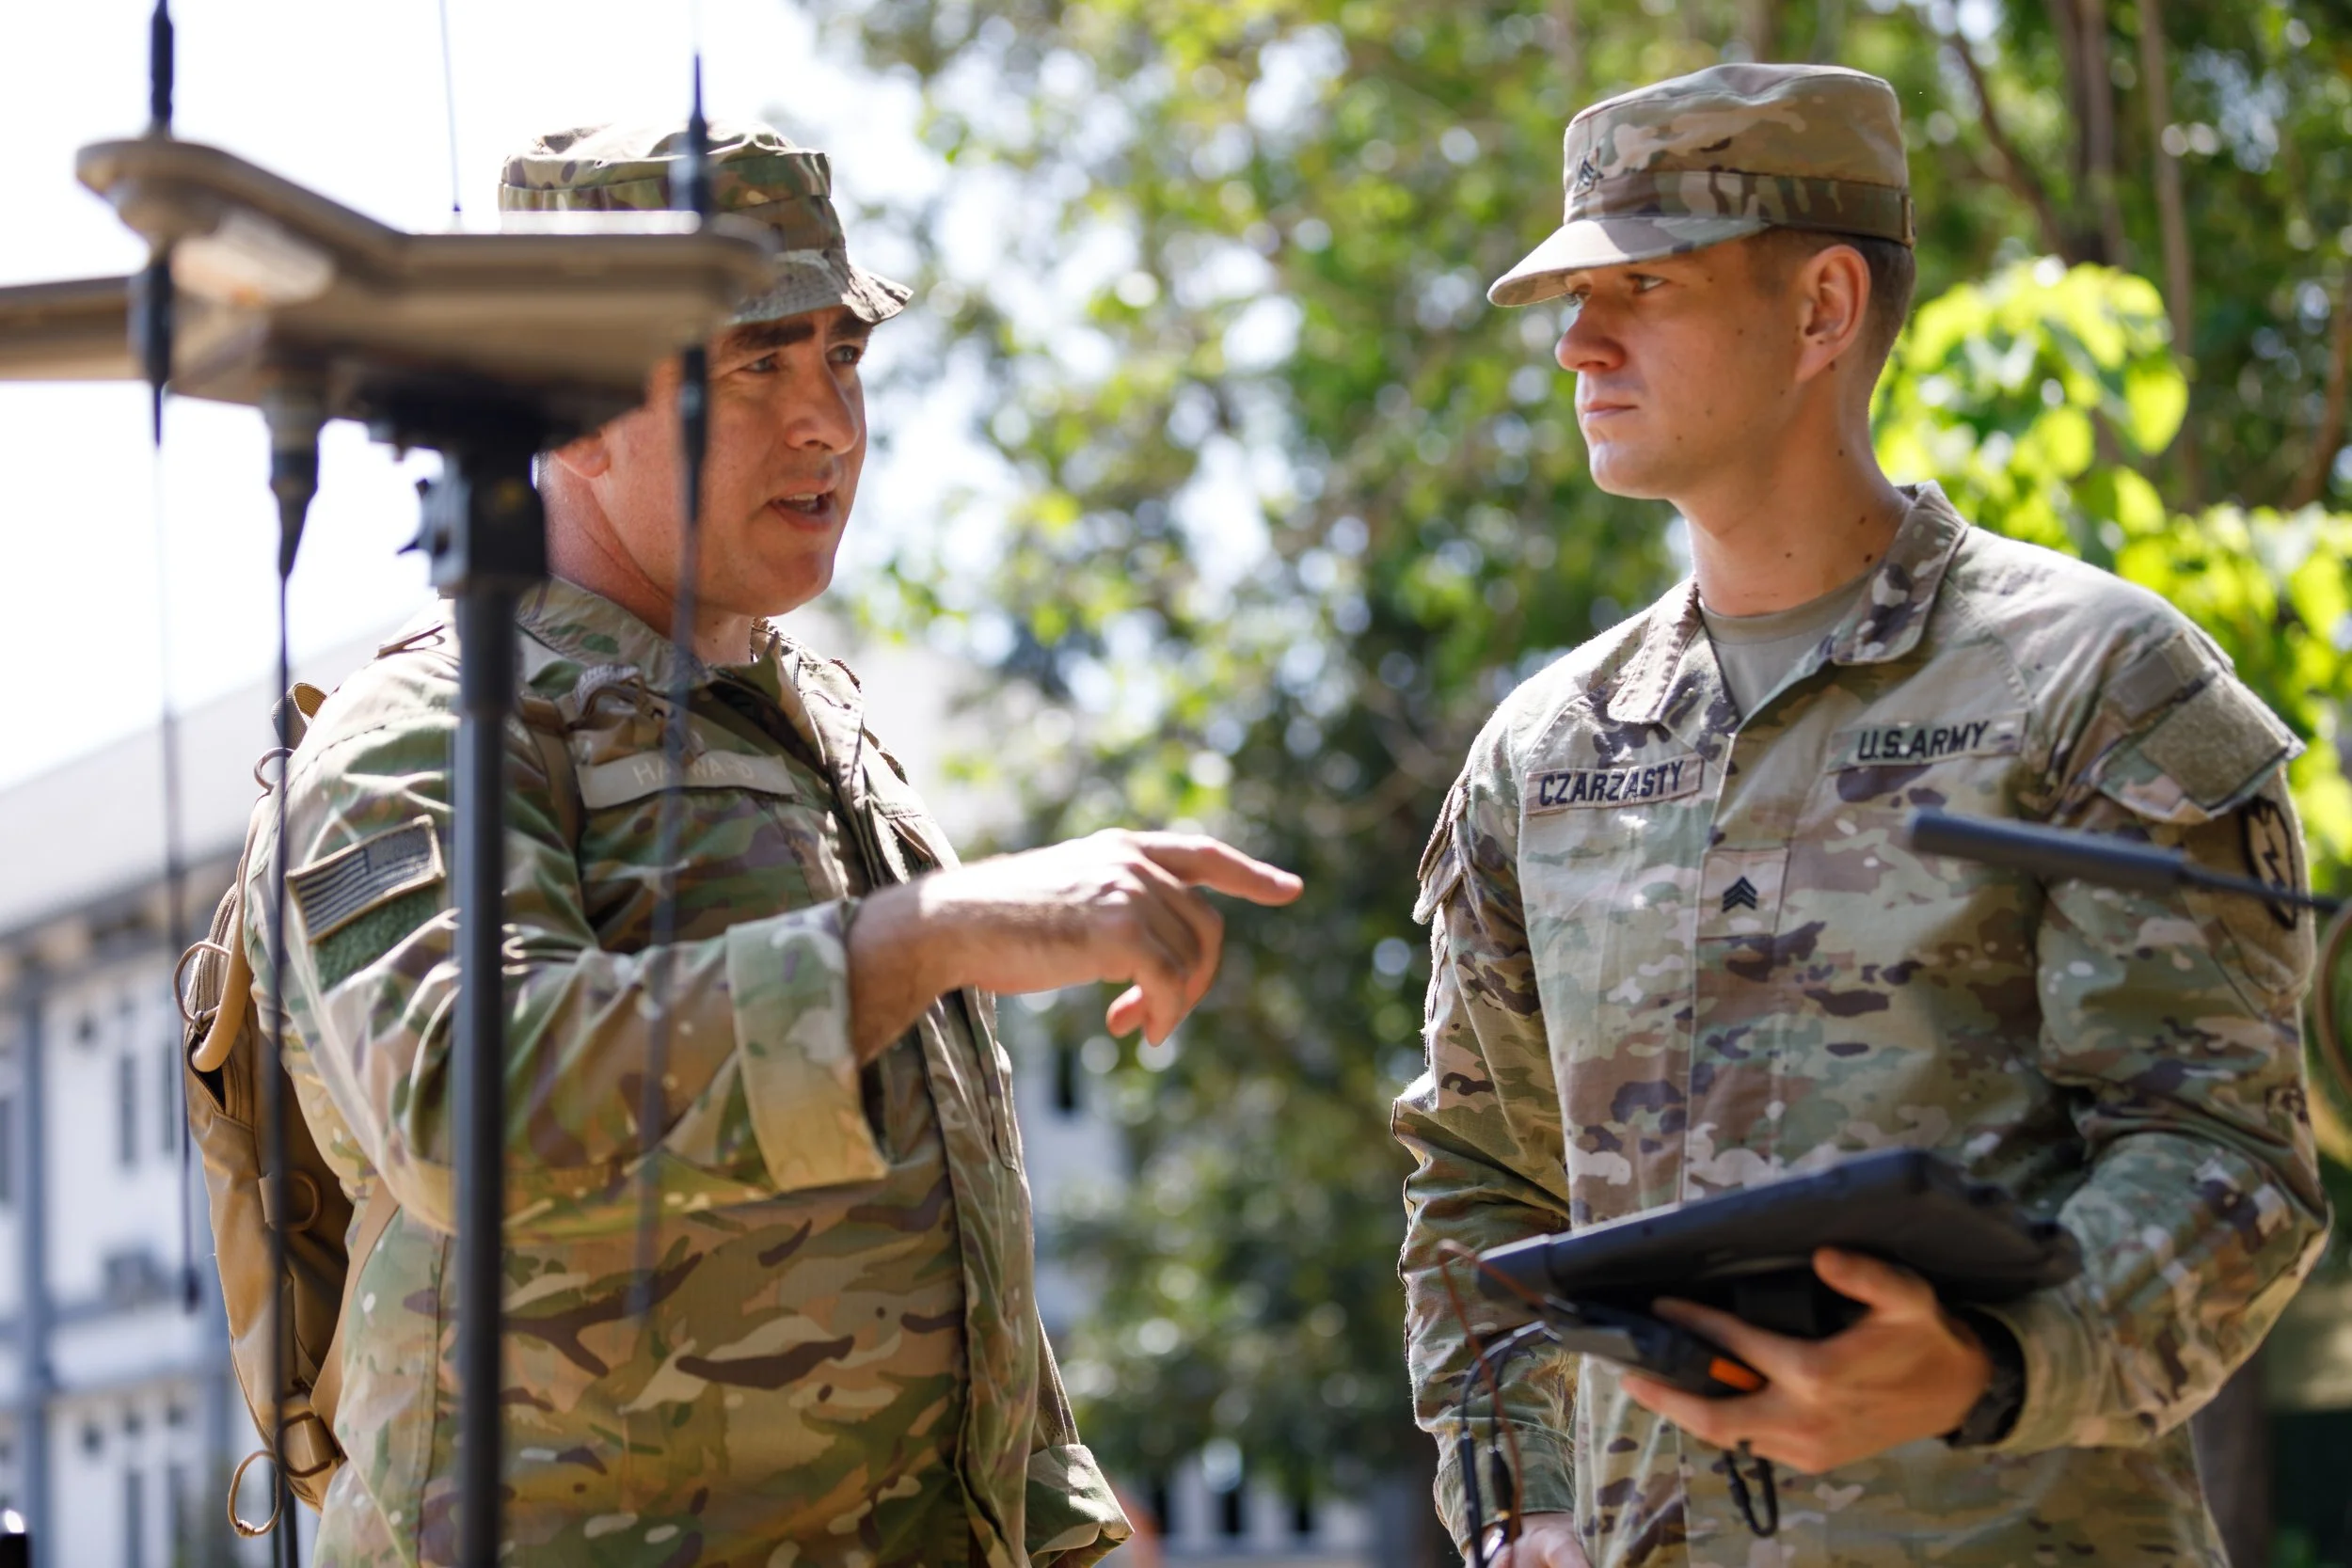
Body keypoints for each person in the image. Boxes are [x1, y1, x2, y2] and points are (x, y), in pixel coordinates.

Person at [247, 120, 1300, 1565]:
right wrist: (935, 933)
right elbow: (457, 1107)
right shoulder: (433, 727)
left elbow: (947, 1261)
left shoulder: (816, 731)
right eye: (755, 364)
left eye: (844, 357)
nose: (827, 423)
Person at [1393, 63, 2327, 1568]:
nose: (1576, 342)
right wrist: (1527, 1515)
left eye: (1642, 285)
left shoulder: (2099, 682)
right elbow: (1480, 1183)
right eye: (1575, 296)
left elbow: (2223, 1160)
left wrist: (1990, 1365)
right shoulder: (1545, 753)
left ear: (1824, 310)